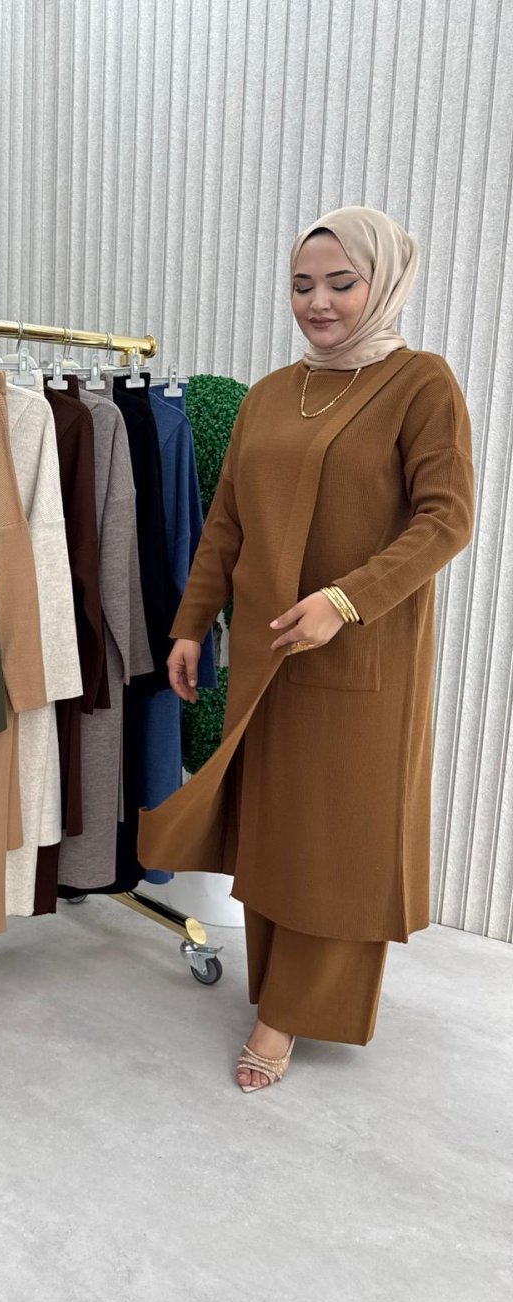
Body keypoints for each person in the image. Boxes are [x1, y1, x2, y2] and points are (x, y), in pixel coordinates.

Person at [136, 206, 475, 1092]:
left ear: (383, 282)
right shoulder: (270, 393)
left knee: (335, 840)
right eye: (301, 285)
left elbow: (448, 518)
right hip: (267, 655)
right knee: (276, 832)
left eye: (340, 283)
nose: (318, 302)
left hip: (360, 657)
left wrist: (344, 600)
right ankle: (278, 987)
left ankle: (286, 1013)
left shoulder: (420, 383)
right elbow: (227, 522)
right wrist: (191, 623)